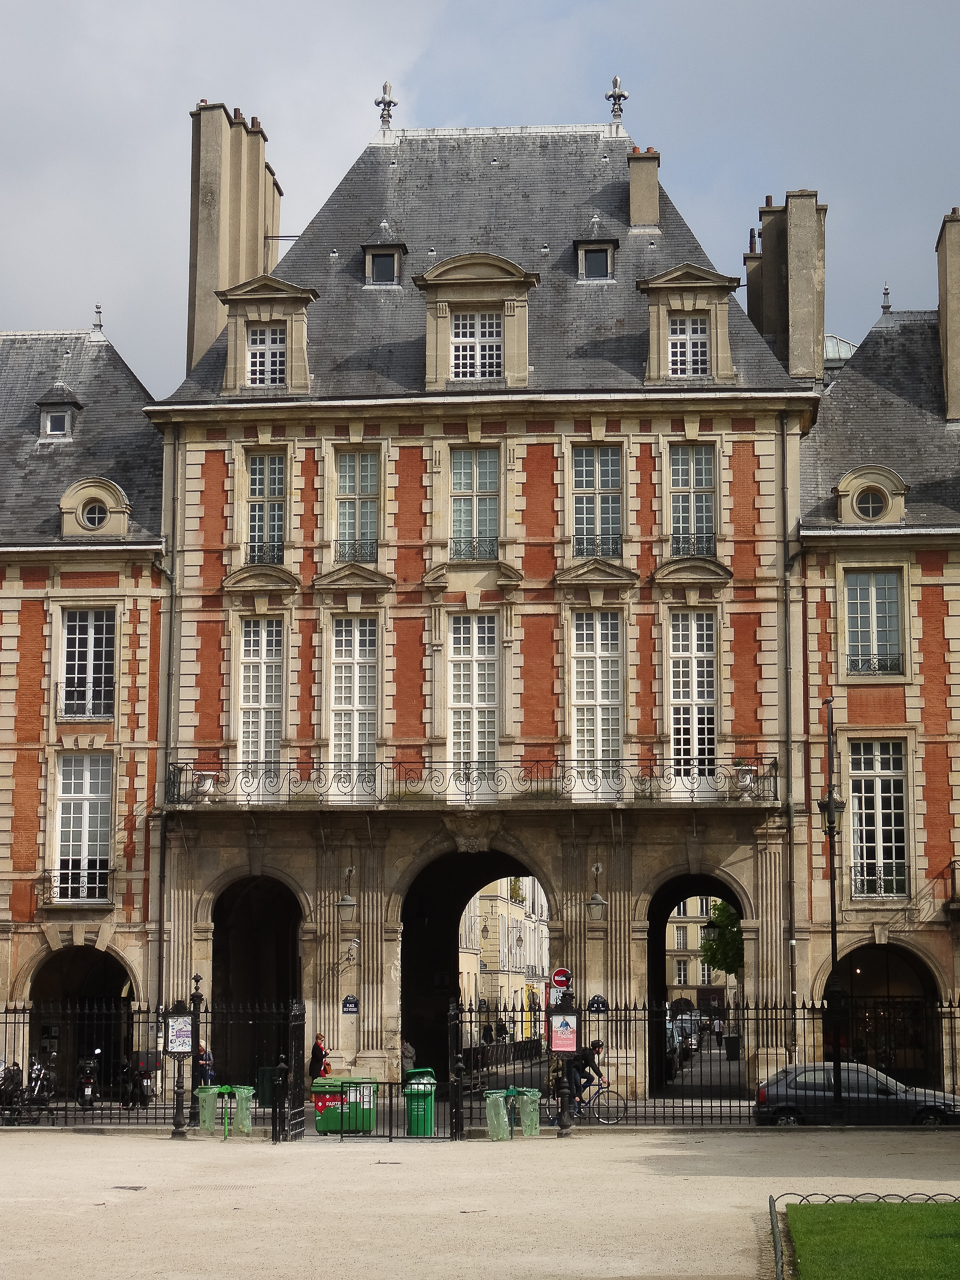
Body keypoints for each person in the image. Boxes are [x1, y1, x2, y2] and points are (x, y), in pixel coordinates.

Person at [571, 1040, 607, 1114]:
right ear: (597, 1048)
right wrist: (602, 1077)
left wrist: (601, 1076)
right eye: (601, 1048)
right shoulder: (588, 1054)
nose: (601, 1049)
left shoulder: (591, 1054)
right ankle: (577, 1109)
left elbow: (593, 1065)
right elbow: (593, 1066)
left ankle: (579, 1093)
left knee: (591, 1078)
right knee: (578, 1087)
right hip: (574, 1069)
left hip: (580, 1070)